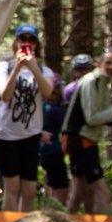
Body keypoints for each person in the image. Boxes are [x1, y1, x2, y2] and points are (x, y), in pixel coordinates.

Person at [62, 49, 112, 214]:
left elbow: (107, 118)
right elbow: (92, 119)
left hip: (85, 140)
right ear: (99, 63)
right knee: (102, 191)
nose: (111, 67)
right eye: (108, 63)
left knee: (80, 190)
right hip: (80, 140)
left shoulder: (103, 84)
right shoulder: (91, 81)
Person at [0, 24, 55, 212]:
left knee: (29, 190)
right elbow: (5, 95)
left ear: (36, 44)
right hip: (6, 136)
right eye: (23, 39)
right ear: (16, 42)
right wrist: (18, 68)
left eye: (31, 40)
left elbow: (47, 92)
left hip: (31, 135)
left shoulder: (45, 71)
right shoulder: (4, 65)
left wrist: (33, 67)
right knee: (11, 188)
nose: (26, 43)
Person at [40, 75, 69, 205]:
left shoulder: (42, 107)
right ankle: (57, 213)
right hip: (53, 151)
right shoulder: (54, 109)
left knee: (50, 182)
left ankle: (49, 208)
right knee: (61, 186)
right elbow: (66, 125)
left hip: (45, 152)